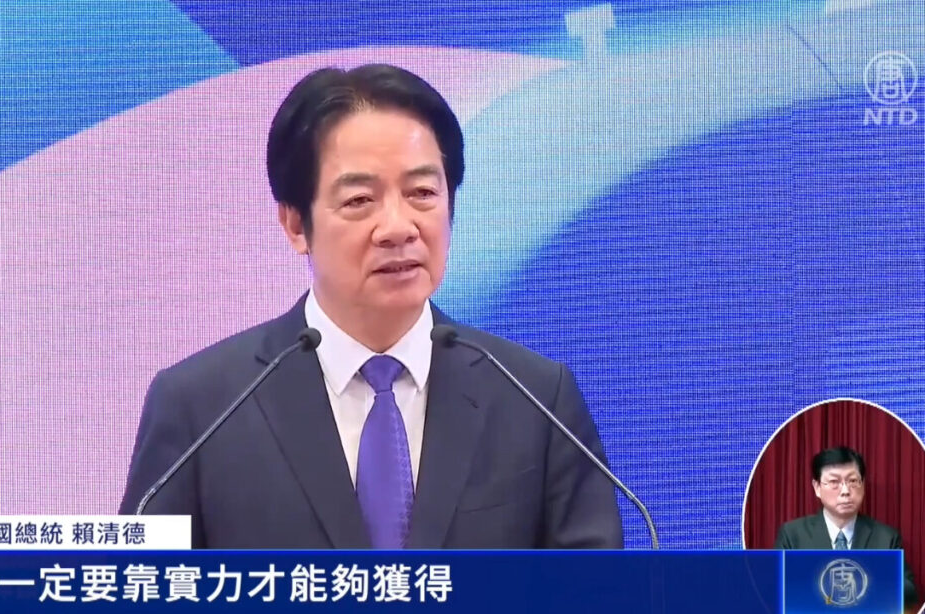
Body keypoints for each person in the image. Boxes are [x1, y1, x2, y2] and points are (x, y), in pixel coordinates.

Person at [118, 63, 624, 549]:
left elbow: (596, 589)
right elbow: (136, 587)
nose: (399, 228)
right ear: (295, 224)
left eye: (422, 192)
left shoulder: (536, 400)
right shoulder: (202, 408)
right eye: (359, 200)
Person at [774, 446, 917, 606]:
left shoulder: (886, 537)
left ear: (863, 485)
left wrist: (865, 580)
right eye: (834, 482)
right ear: (817, 487)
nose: (845, 491)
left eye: (853, 481)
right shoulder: (793, 535)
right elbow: (776, 589)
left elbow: (910, 593)